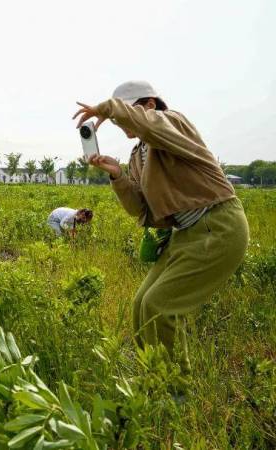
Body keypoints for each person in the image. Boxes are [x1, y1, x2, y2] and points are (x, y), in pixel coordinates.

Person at [73, 81, 248, 367]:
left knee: (160, 306)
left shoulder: (173, 124)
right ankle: (153, 380)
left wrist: (109, 108)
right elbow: (140, 209)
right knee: (141, 304)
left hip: (218, 226)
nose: (119, 122)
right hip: (184, 235)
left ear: (150, 105)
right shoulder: (137, 155)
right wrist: (118, 176)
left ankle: (173, 391)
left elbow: (151, 126)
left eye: (124, 113)